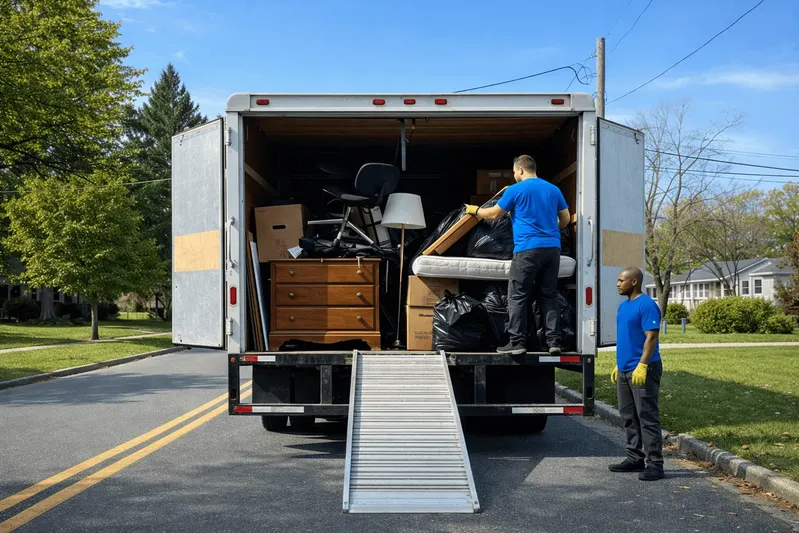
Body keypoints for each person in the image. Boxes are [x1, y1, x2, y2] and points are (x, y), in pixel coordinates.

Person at [466, 155, 570, 355]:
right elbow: (564, 219)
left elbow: (495, 214)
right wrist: (548, 229)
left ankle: (517, 343)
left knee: (518, 296)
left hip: (527, 249)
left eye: (514, 172)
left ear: (521, 170)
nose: (514, 175)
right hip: (552, 249)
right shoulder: (553, 189)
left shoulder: (515, 190)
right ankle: (554, 343)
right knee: (548, 295)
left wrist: (476, 210)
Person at [608, 267, 665, 481]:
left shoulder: (647, 305)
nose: (617, 284)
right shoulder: (623, 307)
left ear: (634, 282)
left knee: (647, 417)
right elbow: (626, 338)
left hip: (644, 369)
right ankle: (634, 458)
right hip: (624, 369)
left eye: (621, 280)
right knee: (629, 417)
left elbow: (651, 338)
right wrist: (619, 364)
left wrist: (642, 365)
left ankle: (655, 465)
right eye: (618, 280)